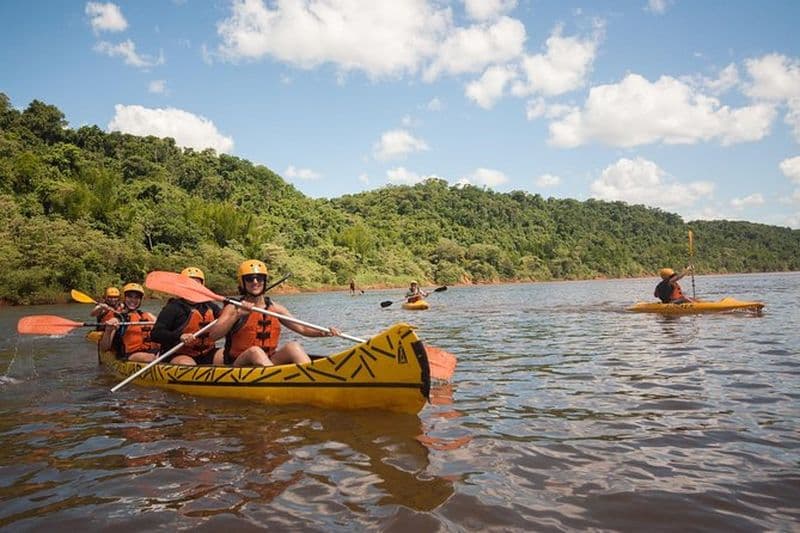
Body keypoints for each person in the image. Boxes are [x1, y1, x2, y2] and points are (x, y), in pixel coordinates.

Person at [206, 259, 341, 367]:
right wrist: (237, 315)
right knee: (255, 351)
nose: (255, 282)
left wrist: (323, 332)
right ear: (242, 282)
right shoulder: (233, 307)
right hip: (239, 364)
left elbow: (302, 328)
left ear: (264, 281)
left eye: (259, 278)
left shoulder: (275, 308)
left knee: (293, 347)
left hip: (268, 362)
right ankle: (277, 383)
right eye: (250, 278)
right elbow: (213, 335)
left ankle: (312, 379)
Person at [150, 267, 222, 366]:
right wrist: (179, 336)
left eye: (196, 284)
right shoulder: (173, 308)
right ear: (182, 287)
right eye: (189, 284)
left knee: (225, 355)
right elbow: (155, 334)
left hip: (206, 353)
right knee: (188, 364)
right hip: (178, 354)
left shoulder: (210, 306)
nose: (192, 288)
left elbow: (227, 319)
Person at [99, 283, 160, 362]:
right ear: (124, 298)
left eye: (137, 297)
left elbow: (162, 326)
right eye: (130, 296)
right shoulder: (118, 319)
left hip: (150, 352)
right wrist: (108, 330)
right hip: (129, 355)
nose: (133, 300)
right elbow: (104, 348)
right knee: (150, 358)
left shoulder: (148, 316)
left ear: (140, 300)